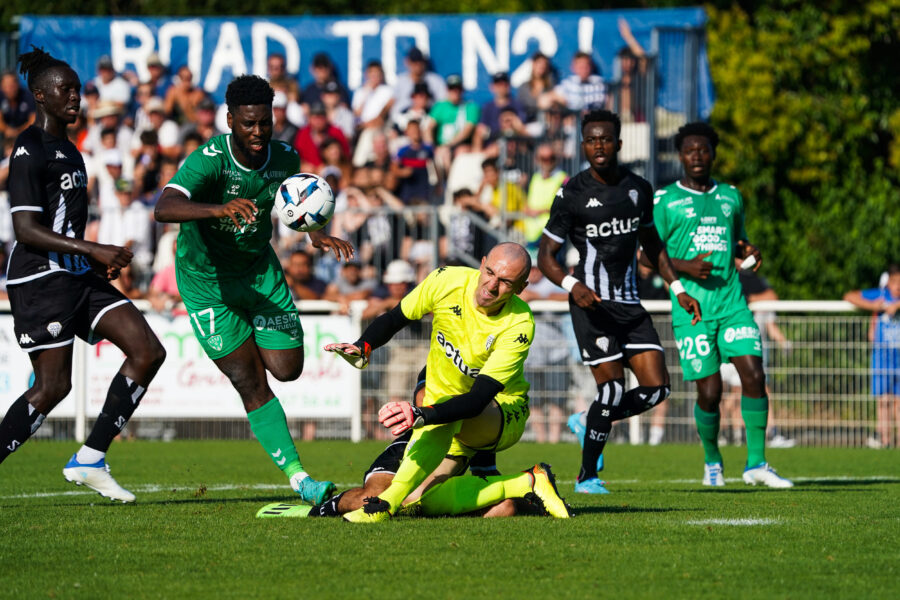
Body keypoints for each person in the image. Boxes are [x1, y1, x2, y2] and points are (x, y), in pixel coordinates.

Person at [154, 74, 354, 503]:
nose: (258, 132)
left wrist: (315, 234)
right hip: (208, 286)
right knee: (249, 380)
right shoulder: (208, 161)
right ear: (230, 120)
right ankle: (301, 478)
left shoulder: (285, 157)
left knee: (287, 368)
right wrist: (216, 208)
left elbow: (294, 207)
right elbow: (164, 207)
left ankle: (289, 451)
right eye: (248, 124)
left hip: (260, 274)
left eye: (265, 122)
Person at [0, 48, 166, 502]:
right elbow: (26, 229)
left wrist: (92, 261)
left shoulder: (71, 150)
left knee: (148, 351)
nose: (75, 97)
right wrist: (93, 247)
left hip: (77, 273)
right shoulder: (28, 149)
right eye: (65, 90)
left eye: (77, 90)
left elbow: (61, 225)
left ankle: (91, 457)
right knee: (54, 386)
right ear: (40, 96)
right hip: (40, 279)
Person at [327, 243, 571, 522]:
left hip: (499, 413)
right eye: (489, 272)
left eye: (505, 282)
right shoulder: (447, 280)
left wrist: (423, 415)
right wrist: (363, 346)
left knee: (441, 408)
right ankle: (524, 485)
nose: (491, 286)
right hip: (446, 410)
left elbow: (478, 399)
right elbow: (396, 317)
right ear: (481, 264)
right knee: (417, 501)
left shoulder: (519, 323)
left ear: (521, 287)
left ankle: (384, 506)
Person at [538, 109, 701, 494]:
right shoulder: (571, 193)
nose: (599, 146)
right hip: (590, 305)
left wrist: (679, 290)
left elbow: (653, 247)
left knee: (657, 389)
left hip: (629, 305)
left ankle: (588, 419)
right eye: (591, 140)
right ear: (583, 145)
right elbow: (545, 256)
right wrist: (569, 285)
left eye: (606, 139)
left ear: (619, 144)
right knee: (611, 390)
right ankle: (587, 476)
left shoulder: (638, 189)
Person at [651, 121, 793, 487]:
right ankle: (712, 460)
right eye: (689, 151)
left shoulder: (731, 196)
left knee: (755, 373)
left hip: (732, 302)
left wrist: (750, 251)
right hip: (691, 309)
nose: (697, 156)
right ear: (681, 156)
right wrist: (683, 267)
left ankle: (757, 463)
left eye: (703, 150)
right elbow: (646, 256)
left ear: (713, 154)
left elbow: (739, 242)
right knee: (710, 393)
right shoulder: (665, 200)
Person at [285, 370, 563, 519]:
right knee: (376, 497)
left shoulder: (496, 361)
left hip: (458, 447)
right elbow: (422, 398)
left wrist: (486, 469)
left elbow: (484, 454)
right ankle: (323, 509)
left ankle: (527, 488)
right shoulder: (445, 360)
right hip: (418, 437)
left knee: (502, 509)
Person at [844, 264, 900, 449]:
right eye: (894, 282)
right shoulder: (881, 296)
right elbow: (849, 296)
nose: (897, 286)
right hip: (882, 357)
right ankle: (884, 440)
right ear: (888, 282)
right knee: (883, 400)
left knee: (898, 402)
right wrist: (873, 306)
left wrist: (896, 306)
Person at [0, 71, 35, 144]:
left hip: (26, 136)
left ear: (17, 84)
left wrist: (18, 132)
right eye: (6, 86)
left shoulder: (28, 96)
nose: (9, 89)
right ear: (1, 86)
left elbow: (33, 120)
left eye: (12, 86)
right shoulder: (1, 96)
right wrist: (6, 130)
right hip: (6, 137)